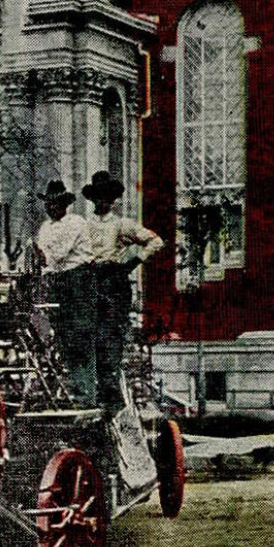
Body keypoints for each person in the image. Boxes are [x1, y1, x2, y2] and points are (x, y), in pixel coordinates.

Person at [82, 170, 163, 411]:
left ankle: (112, 396)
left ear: (113, 199)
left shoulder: (121, 224)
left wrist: (132, 262)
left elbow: (155, 241)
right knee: (92, 340)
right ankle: (98, 395)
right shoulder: (84, 225)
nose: (102, 201)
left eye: (107, 197)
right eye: (98, 197)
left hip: (113, 283)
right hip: (90, 283)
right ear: (93, 199)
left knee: (110, 339)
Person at [34, 179, 97, 408]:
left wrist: (42, 258)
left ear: (64, 204)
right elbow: (42, 256)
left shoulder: (75, 223)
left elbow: (57, 253)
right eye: (48, 204)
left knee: (80, 336)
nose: (51, 208)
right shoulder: (45, 228)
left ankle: (88, 392)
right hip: (59, 282)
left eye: (55, 203)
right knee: (63, 336)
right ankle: (76, 389)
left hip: (78, 280)